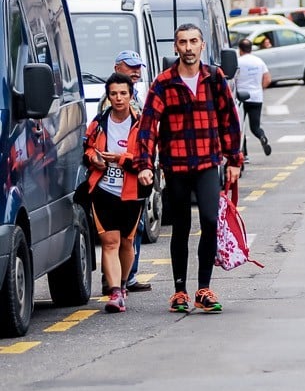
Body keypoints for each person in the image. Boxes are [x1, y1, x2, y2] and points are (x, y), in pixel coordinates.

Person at [135, 23, 243, 313]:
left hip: (208, 162)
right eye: (183, 42)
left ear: (202, 45)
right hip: (176, 165)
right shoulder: (163, 83)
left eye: (193, 41)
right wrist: (145, 164)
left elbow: (229, 119)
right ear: (175, 47)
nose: (188, 47)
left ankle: (204, 288)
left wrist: (234, 160)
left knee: (209, 220)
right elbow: (147, 126)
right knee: (180, 227)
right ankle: (180, 290)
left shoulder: (214, 78)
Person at [83, 73, 147, 313]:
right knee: (109, 241)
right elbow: (87, 148)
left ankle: (122, 283)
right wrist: (94, 159)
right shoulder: (99, 122)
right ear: (107, 96)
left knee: (126, 242)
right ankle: (115, 292)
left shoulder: (141, 123)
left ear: (131, 95)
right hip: (103, 189)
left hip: (132, 191)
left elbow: (147, 156)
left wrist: (122, 159)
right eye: (113, 94)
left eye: (123, 93)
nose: (118, 98)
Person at [98, 50, 152, 294]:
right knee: (113, 238)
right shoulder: (106, 107)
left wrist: (148, 165)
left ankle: (126, 278)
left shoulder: (139, 98)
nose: (136, 70)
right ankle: (114, 281)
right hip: (109, 182)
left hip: (136, 177)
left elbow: (147, 139)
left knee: (132, 234)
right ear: (117, 67)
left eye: (138, 66)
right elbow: (94, 142)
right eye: (130, 66)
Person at [236, 39, 272, 157]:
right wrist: (259, 89)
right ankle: (262, 136)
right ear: (251, 48)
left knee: (241, 127)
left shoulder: (238, 62)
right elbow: (267, 79)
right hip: (256, 98)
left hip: (240, 98)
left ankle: (244, 154)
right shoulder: (259, 61)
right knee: (255, 127)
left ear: (240, 49)